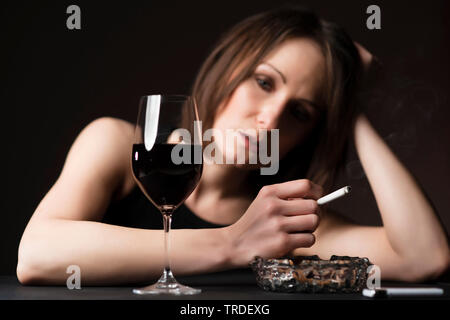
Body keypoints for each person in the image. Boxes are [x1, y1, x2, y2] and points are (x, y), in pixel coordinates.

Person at [17, 6, 448, 285]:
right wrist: (234, 243)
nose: (270, 118)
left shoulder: (282, 221)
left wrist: (351, 106)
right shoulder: (117, 144)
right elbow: (37, 255)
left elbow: (422, 259)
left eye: (300, 112)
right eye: (263, 82)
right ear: (227, 70)